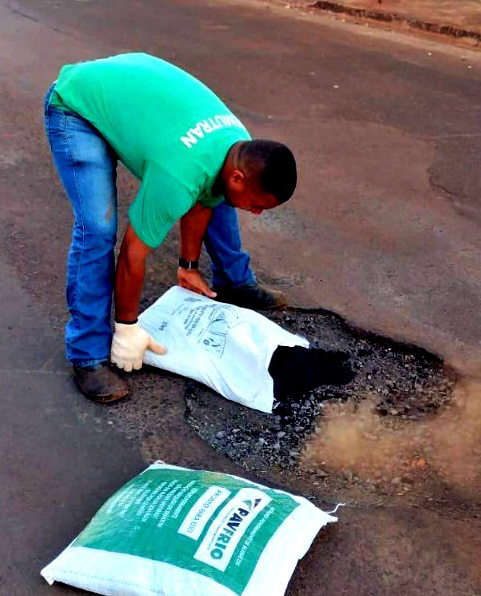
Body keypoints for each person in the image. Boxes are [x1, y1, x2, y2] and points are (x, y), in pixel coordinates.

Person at [43, 53, 297, 404]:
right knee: (98, 230)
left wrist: (188, 265)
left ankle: (234, 282)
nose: (256, 213)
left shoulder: (238, 144)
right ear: (240, 176)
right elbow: (134, 252)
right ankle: (87, 356)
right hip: (78, 107)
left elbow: (204, 197)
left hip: (132, 96)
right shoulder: (177, 176)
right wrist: (128, 328)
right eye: (259, 204)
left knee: (221, 194)